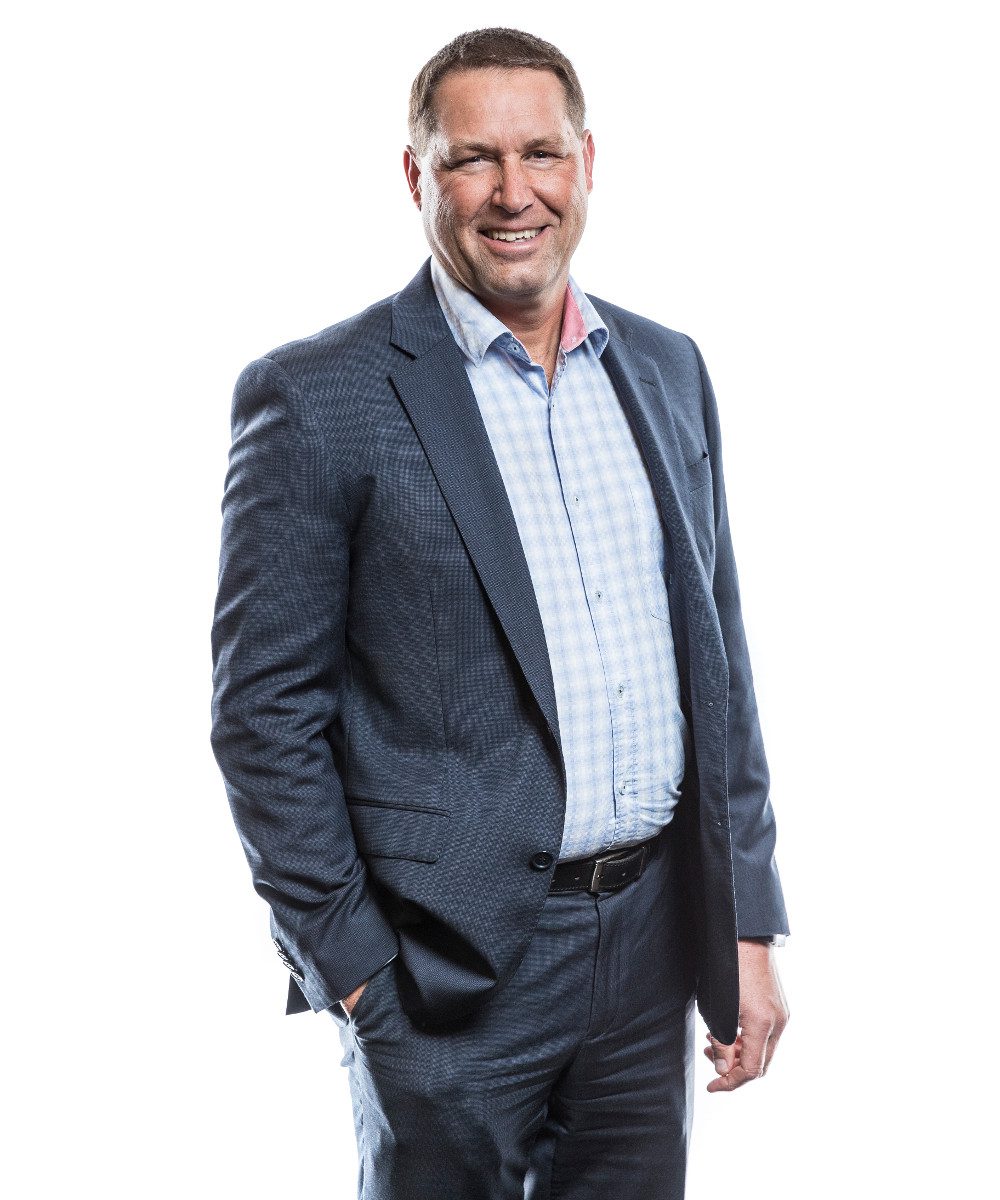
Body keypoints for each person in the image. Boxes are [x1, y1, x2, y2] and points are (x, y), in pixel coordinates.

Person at [210, 26, 790, 1200]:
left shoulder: (667, 368)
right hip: (442, 975)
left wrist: (744, 923)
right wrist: (356, 971)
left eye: (541, 154)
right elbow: (262, 716)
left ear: (587, 163)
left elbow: (716, 664)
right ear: (417, 176)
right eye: (473, 159)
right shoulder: (319, 396)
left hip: (650, 948)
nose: (512, 193)